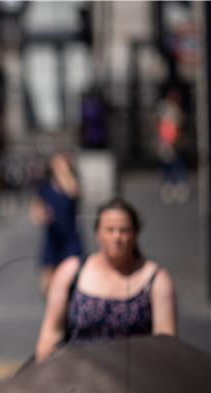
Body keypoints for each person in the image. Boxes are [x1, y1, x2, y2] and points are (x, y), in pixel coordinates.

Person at [34, 197, 176, 363]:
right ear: (97, 233)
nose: (117, 237)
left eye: (124, 230)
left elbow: (166, 344)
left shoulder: (156, 279)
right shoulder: (71, 272)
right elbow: (51, 333)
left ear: (135, 234)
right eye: (110, 230)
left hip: (133, 377)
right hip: (77, 375)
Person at [29, 151, 83, 293]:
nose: (60, 167)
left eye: (62, 164)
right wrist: (41, 216)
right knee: (46, 285)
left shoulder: (72, 182)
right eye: (57, 164)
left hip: (70, 240)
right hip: (52, 240)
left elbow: (74, 192)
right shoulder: (45, 188)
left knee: (71, 283)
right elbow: (35, 210)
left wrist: (64, 173)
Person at [156, 88, 189, 204]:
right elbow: (161, 126)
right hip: (166, 143)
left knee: (177, 165)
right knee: (168, 166)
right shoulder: (164, 110)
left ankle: (178, 187)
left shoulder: (177, 111)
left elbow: (179, 128)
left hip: (174, 143)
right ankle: (168, 188)